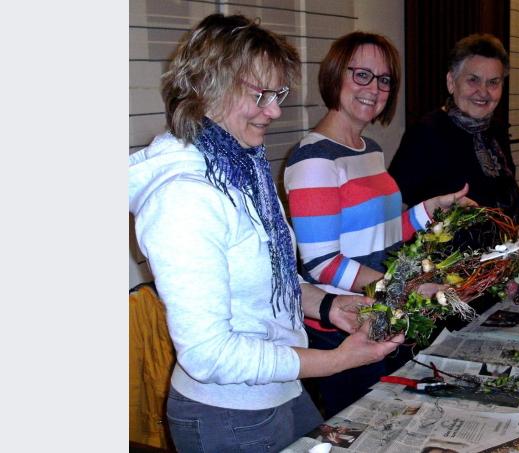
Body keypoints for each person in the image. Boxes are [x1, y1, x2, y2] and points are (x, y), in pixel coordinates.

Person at [128, 15, 402, 452]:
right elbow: (209, 354)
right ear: (206, 88)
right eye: (260, 94)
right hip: (227, 415)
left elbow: (275, 278)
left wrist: (329, 306)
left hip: (278, 392)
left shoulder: (242, 166)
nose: (274, 110)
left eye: (278, 94)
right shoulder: (183, 197)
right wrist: (335, 361)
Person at [284, 31, 474, 418]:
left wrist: (430, 208)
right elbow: (322, 264)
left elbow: (384, 233)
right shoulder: (313, 159)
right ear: (336, 75)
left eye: (384, 79)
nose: (374, 88)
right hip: (343, 327)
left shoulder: (368, 149)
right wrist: (407, 287)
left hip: (382, 313)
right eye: (362, 75)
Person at [389, 33, 519, 223]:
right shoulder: (425, 132)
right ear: (451, 82)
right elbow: (396, 205)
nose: (484, 92)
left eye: (493, 82)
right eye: (473, 80)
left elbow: (501, 196)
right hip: (446, 250)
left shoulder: (495, 131)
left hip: (502, 247)